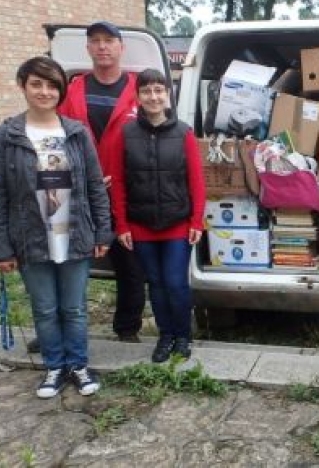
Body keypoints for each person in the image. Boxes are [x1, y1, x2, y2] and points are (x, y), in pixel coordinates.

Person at [0, 56, 113, 398]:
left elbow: (95, 185)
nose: (45, 91)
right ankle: (53, 367)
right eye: (36, 83)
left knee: (74, 307)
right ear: (23, 86)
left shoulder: (76, 133)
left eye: (52, 85)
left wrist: (102, 231)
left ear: (61, 90)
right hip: (31, 238)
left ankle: (78, 366)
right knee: (45, 308)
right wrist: (3, 246)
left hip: (74, 233)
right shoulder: (8, 135)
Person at [57, 21, 146, 343]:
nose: (102, 46)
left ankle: (127, 328)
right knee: (66, 261)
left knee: (130, 264)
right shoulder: (74, 89)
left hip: (126, 192)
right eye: (95, 41)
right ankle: (61, 327)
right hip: (79, 192)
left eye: (109, 40)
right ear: (88, 49)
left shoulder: (140, 88)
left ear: (121, 47)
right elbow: (59, 139)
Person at [109, 69, 206, 362]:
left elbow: (197, 181)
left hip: (177, 224)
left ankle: (183, 335)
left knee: (176, 282)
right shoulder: (125, 134)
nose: (153, 96)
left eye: (158, 90)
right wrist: (122, 224)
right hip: (141, 225)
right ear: (137, 97)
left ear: (168, 95)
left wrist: (196, 220)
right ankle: (166, 336)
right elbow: (119, 181)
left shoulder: (184, 133)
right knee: (156, 283)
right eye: (146, 91)